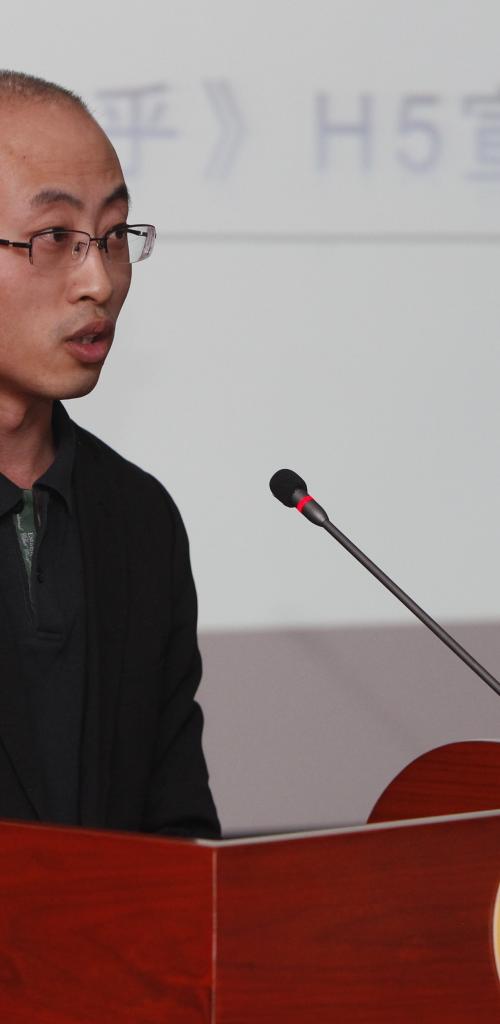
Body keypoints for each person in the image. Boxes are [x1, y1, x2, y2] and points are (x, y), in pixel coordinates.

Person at [0, 70, 220, 838]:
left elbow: (179, 834)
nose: (99, 280)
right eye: (56, 238)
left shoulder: (138, 518)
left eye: (115, 235)